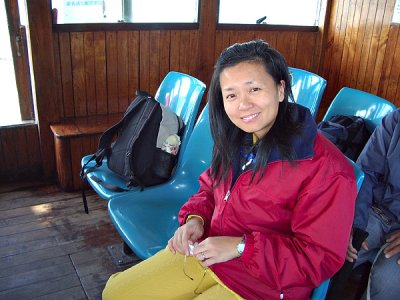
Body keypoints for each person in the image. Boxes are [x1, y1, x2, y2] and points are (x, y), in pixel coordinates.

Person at [102, 40, 357, 300]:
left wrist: (241, 247)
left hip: (262, 286)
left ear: (280, 89)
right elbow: (209, 188)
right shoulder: (236, 137)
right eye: (231, 95)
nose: (243, 105)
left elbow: (317, 258)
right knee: (115, 293)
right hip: (208, 254)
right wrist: (195, 220)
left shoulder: (327, 169)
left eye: (254, 89)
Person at [346, 108, 400, 300]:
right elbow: (366, 173)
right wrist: (355, 224)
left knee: (390, 281)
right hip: (374, 212)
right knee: (337, 246)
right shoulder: (396, 120)